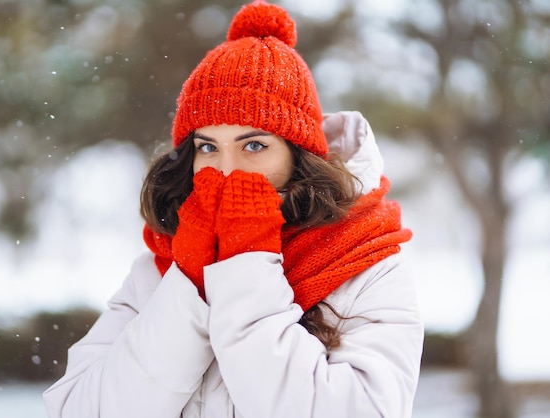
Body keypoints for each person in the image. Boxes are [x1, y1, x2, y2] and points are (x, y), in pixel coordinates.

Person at [43, 1, 423, 417]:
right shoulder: (161, 270)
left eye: (254, 145)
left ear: (299, 154)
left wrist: (245, 266)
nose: (226, 169)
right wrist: (190, 288)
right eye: (208, 147)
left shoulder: (368, 269)